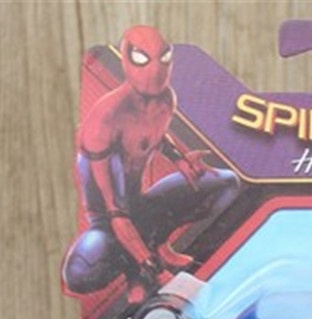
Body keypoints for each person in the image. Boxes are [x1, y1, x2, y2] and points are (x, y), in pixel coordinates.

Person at [62, 25, 239, 304]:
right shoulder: (104, 120)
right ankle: (137, 271)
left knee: (224, 183)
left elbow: (153, 135)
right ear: (126, 60)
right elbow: (116, 213)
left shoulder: (165, 100)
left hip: (140, 207)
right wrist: (156, 272)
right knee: (79, 273)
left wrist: (180, 160)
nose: (156, 70)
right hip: (109, 219)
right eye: (143, 59)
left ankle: (157, 244)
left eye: (164, 58)